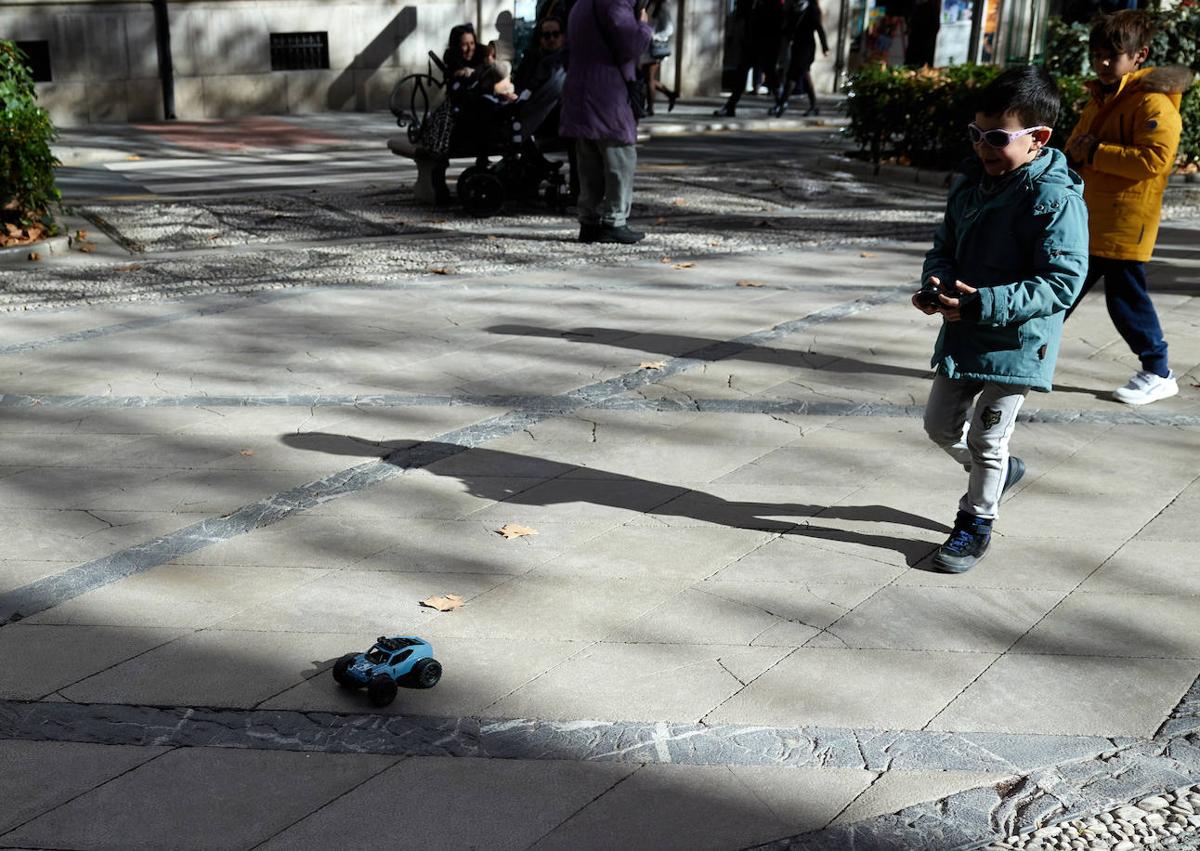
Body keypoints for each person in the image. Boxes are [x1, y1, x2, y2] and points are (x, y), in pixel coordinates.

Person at [915, 66, 1088, 573]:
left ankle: (976, 520)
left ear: (1038, 139)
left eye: (996, 138)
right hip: (964, 330)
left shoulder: (1053, 198)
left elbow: (1061, 282)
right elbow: (942, 249)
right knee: (939, 427)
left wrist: (985, 303)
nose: (982, 148)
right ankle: (998, 473)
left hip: (1018, 343)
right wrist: (936, 284)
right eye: (976, 134)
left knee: (986, 437)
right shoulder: (970, 187)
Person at [1063, 11, 1193, 405]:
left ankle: (1158, 371)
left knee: (1126, 302)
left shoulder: (1153, 103)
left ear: (1139, 55)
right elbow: (1077, 145)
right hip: (1089, 217)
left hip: (1124, 221)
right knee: (1060, 290)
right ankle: (1020, 355)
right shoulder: (1103, 96)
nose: (1102, 63)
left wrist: (1096, 152)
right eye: (1097, 54)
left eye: (1112, 55)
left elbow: (1153, 160)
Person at [561, 0, 652, 244]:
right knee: (619, 157)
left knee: (588, 161)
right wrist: (643, 26)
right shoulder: (615, 3)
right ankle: (615, 221)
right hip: (607, 92)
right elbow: (632, 45)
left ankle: (588, 221)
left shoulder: (579, 5)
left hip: (580, 90)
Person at [714, 0, 786, 118]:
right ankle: (730, 106)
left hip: (768, 43)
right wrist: (734, 32)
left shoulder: (774, 4)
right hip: (751, 42)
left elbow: (778, 24)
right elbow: (741, 15)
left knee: (770, 73)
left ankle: (781, 102)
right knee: (741, 72)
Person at [769, 0, 828, 117]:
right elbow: (790, 28)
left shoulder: (812, 9)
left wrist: (824, 47)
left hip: (807, 47)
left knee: (796, 75)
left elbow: (819, 28)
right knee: (799, 75)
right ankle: (812, 106)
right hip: (796, 46)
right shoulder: (794, 8)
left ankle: (782, 104)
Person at [639, 0, 679, 115]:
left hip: (655, 47)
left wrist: (654, 36)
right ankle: (670, 94)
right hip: (647, 47)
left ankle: (650, 108)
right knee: (645, 78)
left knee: (649, 78)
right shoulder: (650, 6)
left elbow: (669, 29)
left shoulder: (663, 7)